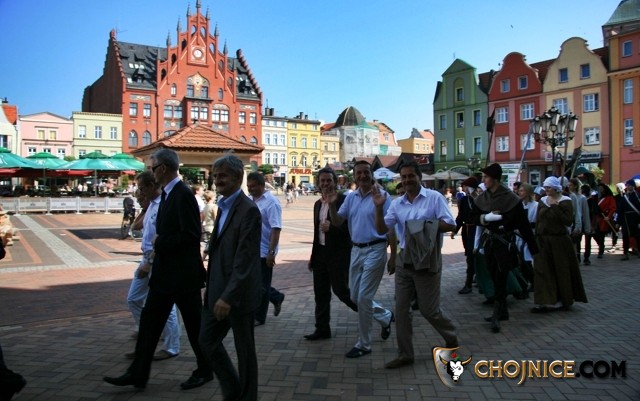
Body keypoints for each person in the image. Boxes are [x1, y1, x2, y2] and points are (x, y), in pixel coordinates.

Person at [104, 149, 212, 390]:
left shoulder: (182, 194)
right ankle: (138, 373)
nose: (151, 173)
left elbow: (191, 235)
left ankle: (205, 369)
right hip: (165, 274)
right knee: (149, 324)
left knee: (195, 327)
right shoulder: (167, 194)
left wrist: (160, 242)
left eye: (152, 168)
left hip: (183, 277)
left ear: (163, 168)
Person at [373, 161, 459, 369]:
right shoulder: (397, 204)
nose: (407, 180)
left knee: (429, 310)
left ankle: (451, 336)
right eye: (403, 177)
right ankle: (405, 354)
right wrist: (378, 207)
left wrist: (423, 226)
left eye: (411, 176)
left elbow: (451, 224)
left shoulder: (434, 198)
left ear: (419, 176)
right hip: (405, 260)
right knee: (401, 310)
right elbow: (382, 229)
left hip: (427, 260)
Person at [199, 154, 262, 400]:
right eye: (215, 175)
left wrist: (228, 296)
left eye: (223, 176)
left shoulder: (249, 210)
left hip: (238, 295)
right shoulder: (223, 205)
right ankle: (233, 390)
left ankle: (247, 396)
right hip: (218, 291)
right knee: (206, 341)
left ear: (237, 177)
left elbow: (245, 260)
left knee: (245, 352)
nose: (217, 180)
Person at [328, 160, 395, 359]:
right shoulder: (351, 197)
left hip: (376, 248)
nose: (363, 176)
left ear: (371, 174)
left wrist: (394, 256)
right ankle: (385, 316)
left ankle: (364, 344)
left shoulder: (383, 196)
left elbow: (391, 228)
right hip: (356, 250)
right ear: (354, 176)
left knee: (364, 297)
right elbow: (338, 221)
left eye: (366, 172)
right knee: (355, 297)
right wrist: (331, 204)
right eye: (359, 173)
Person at [470, 163, 538, 333]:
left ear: (495, 179)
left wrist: (534, 248)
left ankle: (497, 314)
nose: (484, 180)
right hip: (489, 243)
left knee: (501, 278)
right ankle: (503, 311)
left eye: (486, 177)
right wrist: (486, 217)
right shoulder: (483, 198)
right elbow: (472, 218)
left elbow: (524, 226)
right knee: (494, 276)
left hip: (504, 244)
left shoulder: (511, 199)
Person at [125, 171, 181, 361]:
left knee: (166, 306)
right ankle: (149, 335)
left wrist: (149, 263)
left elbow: (163, 237)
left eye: (142, 189)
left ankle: (171, 346)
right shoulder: (151, 205)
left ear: (151, 186)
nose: (139, 193)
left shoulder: (164, 204)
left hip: (158, 259)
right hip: (147, 257)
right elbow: (136, 227)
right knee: (133, 299)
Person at [305, 167, 358, 341]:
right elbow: (316, 234)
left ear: (335, 182)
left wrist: (333, 228)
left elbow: (352, 230)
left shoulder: (344, 201)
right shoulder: (317, 204)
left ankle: (376, 312)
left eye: (329, 180)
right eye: (323, 180)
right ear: (318, 183)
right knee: (320, 294)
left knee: (342, 291)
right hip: (320, 254)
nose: (326, 184)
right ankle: (322, 329)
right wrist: (313, 257)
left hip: (338, 254)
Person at [532, 177, 588, 312]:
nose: (546, 190)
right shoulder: (542, 201)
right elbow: (539, 220)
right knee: (543, 271)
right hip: (543, 241)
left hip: (559, 241)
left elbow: (568, 221)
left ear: (556, 188)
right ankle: (544, 300)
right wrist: (536, 237)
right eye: (545, 187)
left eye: (549, 187)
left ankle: (562, 299)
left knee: (560, 270)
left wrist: (556, 208)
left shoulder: (566, 201)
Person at [246, 172, 286, 327]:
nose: (250, 189)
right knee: (254, 282)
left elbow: (276, 229)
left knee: (261, 285)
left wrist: (271, 252)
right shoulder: (250, 200)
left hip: (264, 249)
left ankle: (260, 316)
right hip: (251, 248)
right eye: (248, 186)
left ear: (262, 185)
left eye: (253, 186)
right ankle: (276, 296)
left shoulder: (271, 202)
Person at [452, 176, 479, 295]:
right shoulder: (464, 200)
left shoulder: (480, 199)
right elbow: (460, 216)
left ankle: (470, 283)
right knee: (470, 256)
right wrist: (455, 230)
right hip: (467, 230)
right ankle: (470, 282)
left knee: (474, 257)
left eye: (465, 186)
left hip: (478, 230)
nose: (463, 188)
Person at [568, 178, 591, 263]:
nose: (569, 187)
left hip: (578, 221)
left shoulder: (582, 198)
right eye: (568, 185)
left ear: (575, 186)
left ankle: (578, 257)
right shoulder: (567, 196)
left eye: (571, 185)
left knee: (577, 241)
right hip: (570, 221)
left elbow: (585, 212)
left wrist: (587, 227)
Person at [618, 179, 640, 260]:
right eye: (627, 185)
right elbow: (620, 209)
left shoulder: (638, 196)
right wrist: (618, 221)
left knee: (637, 236)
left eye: (630, 185)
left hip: (635, 218)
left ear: (633, 186)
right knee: (625, 236)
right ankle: (625, 253)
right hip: (626, 219)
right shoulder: (624, 197)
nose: (628, 187)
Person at [594, 183, 616, 259]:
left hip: (604, 218)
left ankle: (601, 251)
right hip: (597, 218)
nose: (600, 189)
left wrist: (608, 216)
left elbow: (613, 208)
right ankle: (600, 246)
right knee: (595, 234)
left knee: (601, 235)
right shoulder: (597, 197)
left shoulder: (610, 198)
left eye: (601, 188)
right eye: (599, 188)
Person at [582, 186, 598, 265]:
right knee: (584, 241)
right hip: (583, 221)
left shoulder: (591, 200)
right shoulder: (582, 199)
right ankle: (584, 257)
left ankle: (586, 257)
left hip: (589, 221)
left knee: (587, 241)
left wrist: (593, 225)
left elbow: (594, 213)